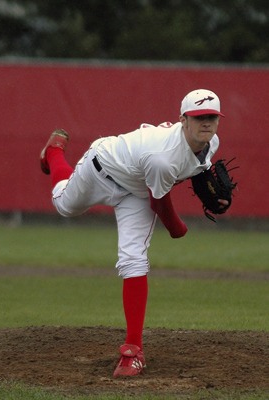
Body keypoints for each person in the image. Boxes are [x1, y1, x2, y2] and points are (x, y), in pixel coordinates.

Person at [39, 88, 227, 378]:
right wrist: (178, 230)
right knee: (64, 205)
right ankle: (53, 153)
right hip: (102, 168)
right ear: (183, 120)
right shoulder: (162, 157)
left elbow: (196, 167)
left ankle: (133, 352)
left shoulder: (211, 142)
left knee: (133, 259)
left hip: (137, 190)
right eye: (198, 117)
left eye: (212, 117)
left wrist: (210, 183)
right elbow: (159, 202)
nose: (206, 123)